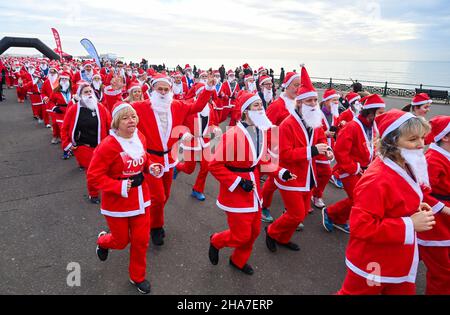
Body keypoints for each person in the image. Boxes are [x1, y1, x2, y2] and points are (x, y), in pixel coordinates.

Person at [337, 109, 435, 295]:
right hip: (373, 263)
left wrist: (414, 208)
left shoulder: (404, 163)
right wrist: (410, 224)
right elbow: (361, 226)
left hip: (396, 258)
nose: (421, 144)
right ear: (392, 142)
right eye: (413, 139)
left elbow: (396, 201)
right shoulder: (376, 179)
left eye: (422, 138)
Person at [208, 91, 295, 275]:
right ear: (246, 111)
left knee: (254, 231)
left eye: (261, 105)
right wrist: (238, 181)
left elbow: (261, 161)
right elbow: (214, 165)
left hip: (254, 189)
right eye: (256, 106)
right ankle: (216, 241)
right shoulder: (232, 135)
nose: (260, 108)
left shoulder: (260, 133)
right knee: (241, 234)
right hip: (236, 192)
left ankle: (238, 261)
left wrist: (281, 172)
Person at [87, 102, 163, 295]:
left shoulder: (140, 137)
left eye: (134, 116)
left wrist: (151, 167)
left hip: (141, 199)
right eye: (126, 117)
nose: (132, 121)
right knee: (121, 242)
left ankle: (137, 276)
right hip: (117, 203)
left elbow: (143, 157)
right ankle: (103, 241)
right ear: (116, 122)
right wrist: (118, 186)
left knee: (141, 241)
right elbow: (94, 177)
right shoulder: (108, 145)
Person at [132, 72, 215, 246]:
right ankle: (155, 227)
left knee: (166, 194)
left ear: (170, 90)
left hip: (169, 157)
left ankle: (151, 218)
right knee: (158, 197)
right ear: (153, 89)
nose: (162, 92)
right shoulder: (141, 107)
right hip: (151, 158)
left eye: (166, 89)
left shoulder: (177, 105)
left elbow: (197, 107)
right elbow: (122, 113)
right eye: (159, 89)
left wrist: (208, 88)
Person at [265, 66, 332, 253]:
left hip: (307, 175)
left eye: (315, 100)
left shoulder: (315, 120)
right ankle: (271, 231)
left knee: (300, 214)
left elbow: (320, 140)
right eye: (309, 100)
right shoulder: (287, 124)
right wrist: (312, 150)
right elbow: (285, 154)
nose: (313, 103)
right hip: (291, 175)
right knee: (296, 214)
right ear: (300, 103)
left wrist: (327, 151)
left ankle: (283, 237)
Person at [322, 94, 386, 234]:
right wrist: (355, 167)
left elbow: (372, 147)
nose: (383, 116)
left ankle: (338, 218)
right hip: (349, 169)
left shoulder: (373, 126)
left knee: (360, 198)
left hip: (365, 169)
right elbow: (340, 151)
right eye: (380, 112)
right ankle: (330, 212)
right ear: (371, 112)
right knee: (358, 198)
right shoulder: (352, 126)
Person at [61, 83, 111, 203]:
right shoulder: (74, 109)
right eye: (86, 92)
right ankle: (93, 194)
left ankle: (108, 190)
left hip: (100, 146)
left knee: (105, 170)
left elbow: (110, 125)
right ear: (80, 95)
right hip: (84, 147)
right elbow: (65, 127)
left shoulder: (100, 108)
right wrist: (67, 144)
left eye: (90, 92)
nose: (89, 94)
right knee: (92, 171)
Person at [261, 71, 300, 223]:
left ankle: (291, 211)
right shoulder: (277, 105)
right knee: (273, 180)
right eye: (296, 85)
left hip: (294, 149)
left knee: (289, 178)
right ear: (286, 85)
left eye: (300, 85)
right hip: (277, 149)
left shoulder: (299, 103)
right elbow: (266, 127)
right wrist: (271, 147)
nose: (298, 88)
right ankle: (264, 206)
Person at [418, 115, 450, 295]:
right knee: (443, 273)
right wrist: (444, 209)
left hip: (444, 219)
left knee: (415, 255)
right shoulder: (432, 159)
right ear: (445, 137)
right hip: (435, 220)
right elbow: (421, 192)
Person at [174, 83, 221, 201]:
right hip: (191, 140)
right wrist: (183, 133)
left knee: (206, 166)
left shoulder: (210, 106)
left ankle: (197, 189)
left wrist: (214, 127)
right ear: (199, 93)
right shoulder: (187, 104)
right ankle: (178, 167)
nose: (207, 96)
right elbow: (177, 122)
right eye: (204, 93)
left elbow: (212, 122)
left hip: (205, 139)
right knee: (189, 169)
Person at [311, 89, 341, 209]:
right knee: (318, 174)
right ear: (326, 101)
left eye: (337, 100)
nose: (336, 103)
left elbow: (335, 130)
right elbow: (311, 133)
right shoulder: (316, 114)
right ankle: (314, 195)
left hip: (328, 149)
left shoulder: (335, 115)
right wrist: (325, 133)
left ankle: (315, 195)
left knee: (324, 174)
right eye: (334, 100)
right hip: (316, 149)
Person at [49, 71, 75, 153]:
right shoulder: (55, 91)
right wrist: (54, 107)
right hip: (60, 113)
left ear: (69, 81)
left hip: (71, 113)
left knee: (71, 130)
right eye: (62, 79)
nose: (64, 81)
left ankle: (72, 146)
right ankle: (66, 148)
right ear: (59, 80)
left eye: (65, 79)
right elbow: (50, 101)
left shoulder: (73, 90)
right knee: (63, 131)